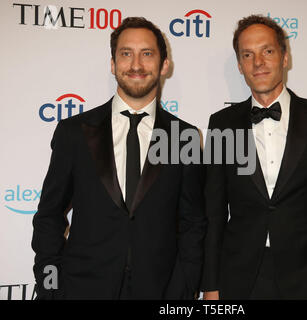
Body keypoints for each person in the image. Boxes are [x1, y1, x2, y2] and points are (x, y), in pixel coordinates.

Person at [32, 17, 206, 300]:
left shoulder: (184, 136)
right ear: (113, 64)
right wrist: (51, 285)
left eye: (147, 54)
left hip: (160, 291)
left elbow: (193, 222)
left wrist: (185, 288)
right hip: (81, 290)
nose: (136, 64)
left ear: (164, 65)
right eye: (126, 54)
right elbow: (49, 216)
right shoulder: (74, 132)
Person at [201, 15, 307, 300]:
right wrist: (211, 285)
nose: (258, 62)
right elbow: (213, 212)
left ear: (285, 57)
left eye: (268, 51)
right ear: (240, 65)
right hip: (238, 281)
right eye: (247, 55)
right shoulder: (221, 124)